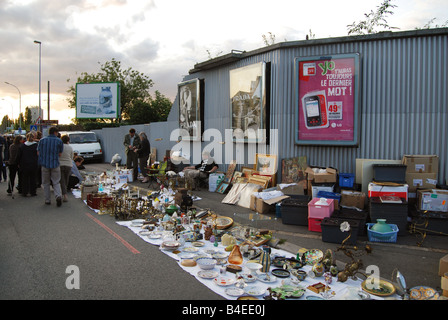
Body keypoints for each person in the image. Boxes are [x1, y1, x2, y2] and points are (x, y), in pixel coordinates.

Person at [37, 126, 64, 207]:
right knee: (56, 182)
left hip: (45, 164)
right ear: (55, 132)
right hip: (55, 164)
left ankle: (47, 200)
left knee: (45, 183)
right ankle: (58, 196)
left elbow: (38, 152)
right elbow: (60, 154)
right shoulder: (59, 141)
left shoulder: (42, 140)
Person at [17, 132, 38, 197]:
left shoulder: (22, 146)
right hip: (33, 164)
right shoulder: (36, 145)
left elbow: (19, 156)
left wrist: (18, 163)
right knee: (33, 178)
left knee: (25, 179)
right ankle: (33, 191)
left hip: (24, 164)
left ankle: (25, 192)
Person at [59, 134, 74, 202]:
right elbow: (72, 157)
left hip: (60, 164)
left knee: (61, 180)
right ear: (68, 141)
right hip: (68, 165)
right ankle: (65, 193)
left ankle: (63, 194)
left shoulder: (60, 146)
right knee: (66, 179)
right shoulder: (70, 147)